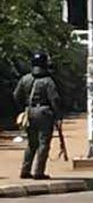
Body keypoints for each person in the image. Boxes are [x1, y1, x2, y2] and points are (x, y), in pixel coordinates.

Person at [14, 52, 61, 180]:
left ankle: (25, 170)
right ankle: (39, 172)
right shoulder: (48, 81)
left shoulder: (25, 79)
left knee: (31, 143)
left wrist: (24, 109)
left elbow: (16, 95)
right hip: (44, 113)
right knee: (43, 143)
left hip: (29, 112)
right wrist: (58, 116)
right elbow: (55, 99)